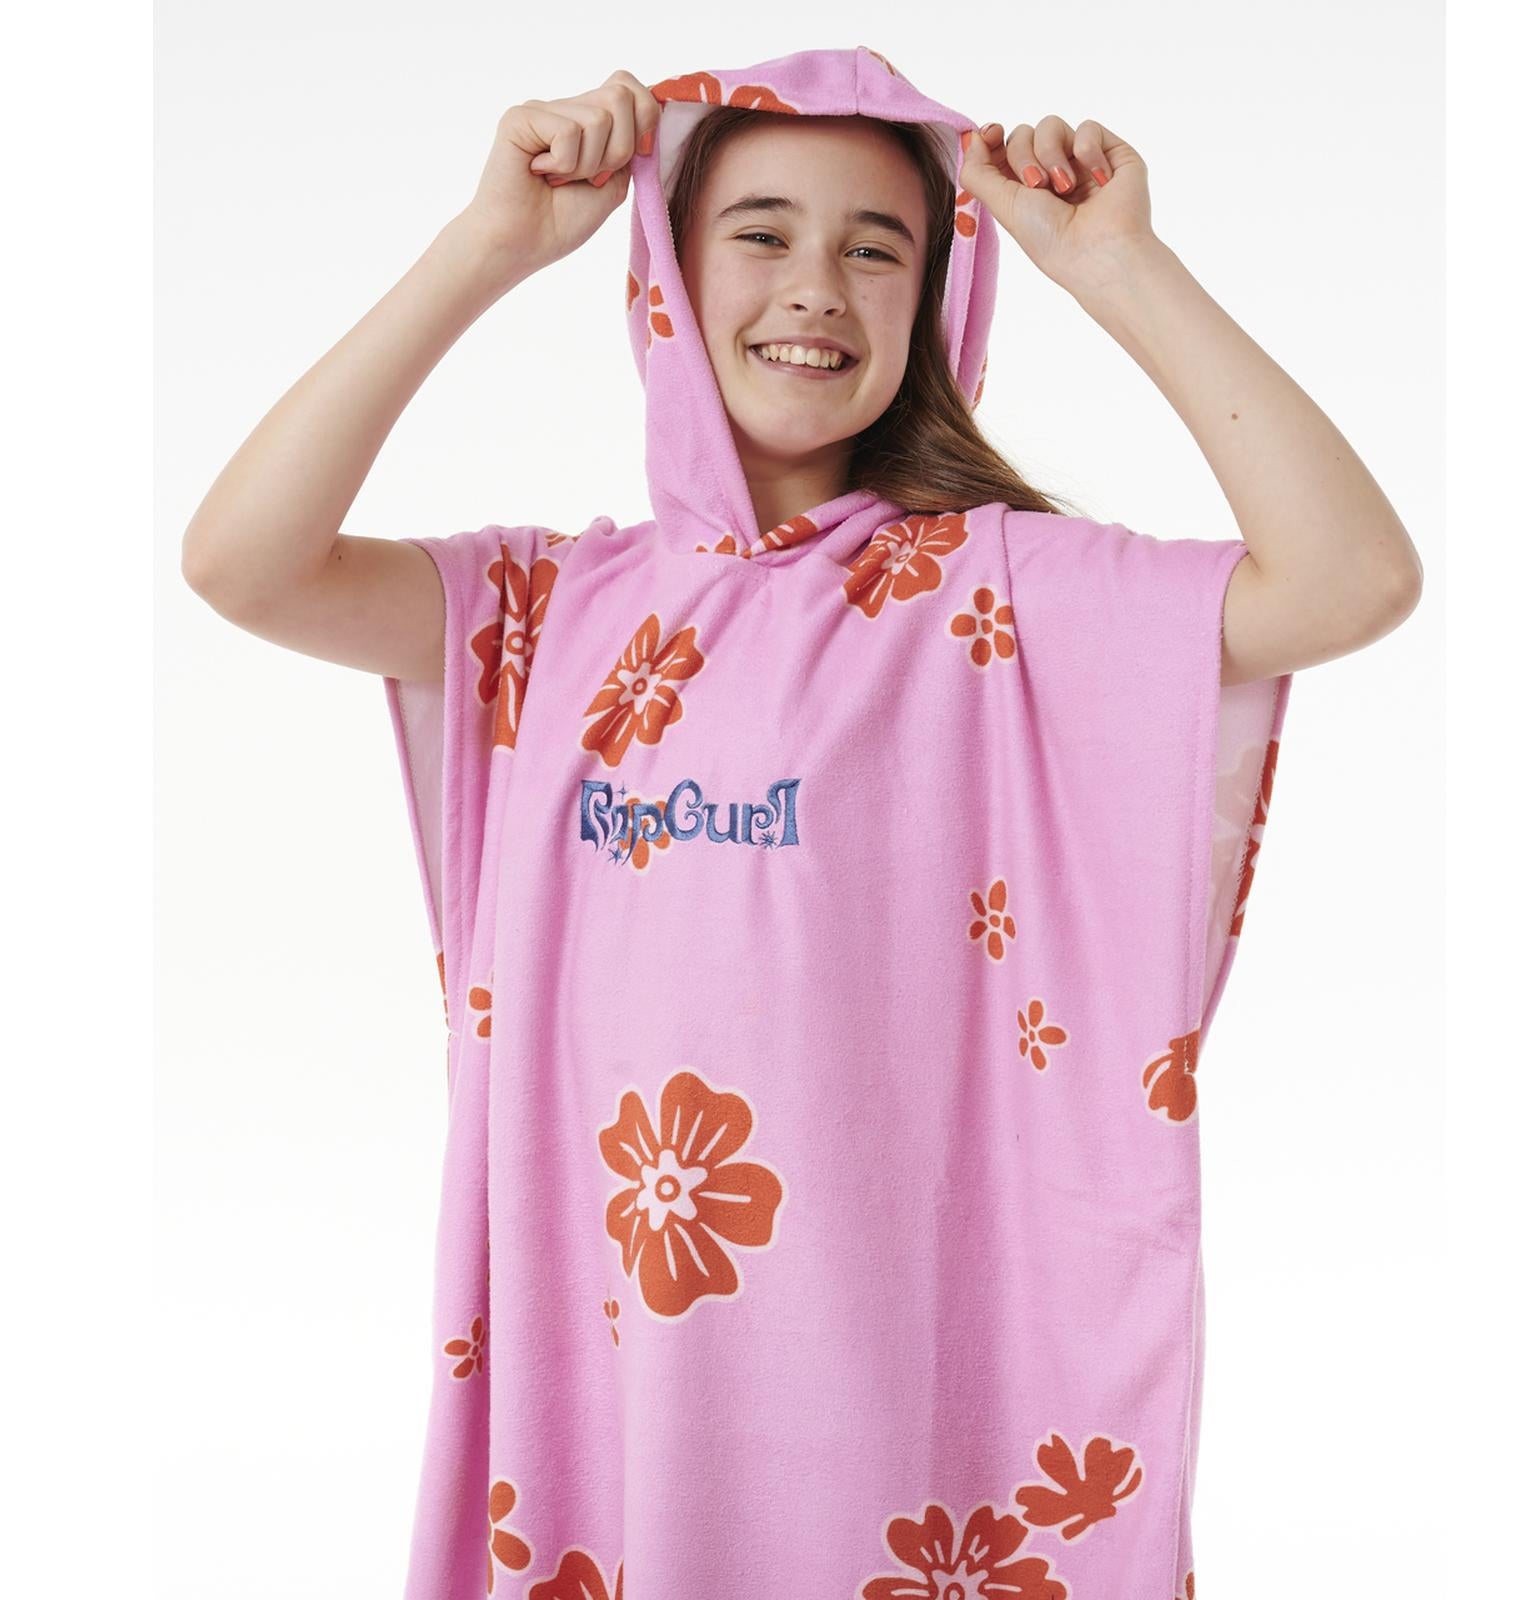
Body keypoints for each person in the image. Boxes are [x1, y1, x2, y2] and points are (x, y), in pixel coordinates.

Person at [183, 46, 1422, 1600]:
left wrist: (1120, 268)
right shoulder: (544, 612)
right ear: (668, 274)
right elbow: (243, 561)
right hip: (619, 1395)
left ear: (935, 299)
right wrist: (486, 245)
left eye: (876, 247)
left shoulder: (997, 597)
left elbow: (1351, 580)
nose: (816, 287)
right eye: (760, 233)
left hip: (901, 1408)